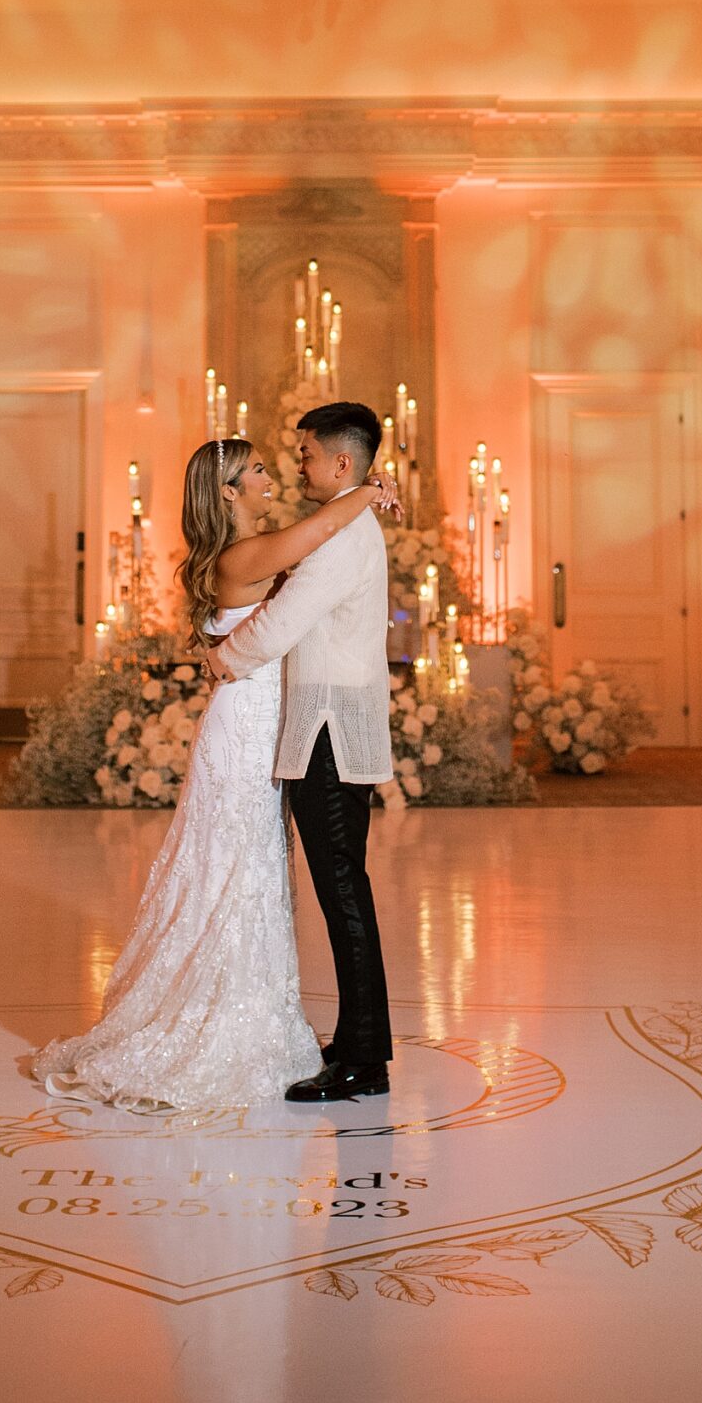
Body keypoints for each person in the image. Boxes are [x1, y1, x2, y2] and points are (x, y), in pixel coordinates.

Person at [28, 433, 397, 1118]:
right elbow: (320, 528)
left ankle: (254, 1023)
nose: (271, 475)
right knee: (234, 876)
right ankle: (224, 1030)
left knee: (247, 879)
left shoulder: (247, 549)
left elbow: (315, 540)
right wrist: (371, 490)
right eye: (255, 470)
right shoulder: (247, 553)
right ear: (227, 492)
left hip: (260, 727)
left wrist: (362, 493)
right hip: (246, 735)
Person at [205, 401, 395, 1106]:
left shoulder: (342, 536)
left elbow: (284, 620)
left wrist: (227, 657)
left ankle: (365, 1060)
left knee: (343, 891)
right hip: (327, 727)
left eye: (307, 454)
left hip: (328, 733)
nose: (298, 465)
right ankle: (356, 1042)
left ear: (341, 463)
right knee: (342, 887)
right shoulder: (348, 520)